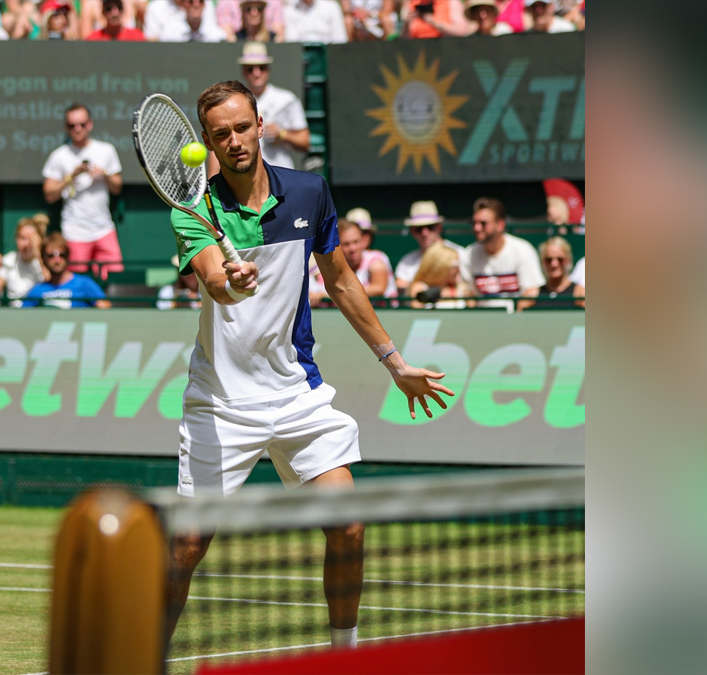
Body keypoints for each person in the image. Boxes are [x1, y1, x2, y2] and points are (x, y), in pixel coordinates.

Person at [165, 79, 453, 651]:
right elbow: (216, 283)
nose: (235, 141)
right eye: (221, 134)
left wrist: (394, 363)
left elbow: (341, 280)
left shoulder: (309, 192)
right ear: (208, 143)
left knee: (347, 523)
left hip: (297, 394)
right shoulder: (192, 206)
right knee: (188, 546)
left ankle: (343, 655)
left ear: (260, 125)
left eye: (242, 127)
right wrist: (230, 281)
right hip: (221, 403)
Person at [41, 103, 125, 279]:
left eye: (82, 124)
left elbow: (117, 187)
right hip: (74, 231)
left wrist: (105, 173)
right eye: (72, 125)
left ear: (90, 124)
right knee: (75, 282)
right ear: (66, 127)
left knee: (115, 278)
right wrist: (71, 176)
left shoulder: (106, 150)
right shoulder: (59, 155)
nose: (77, 129)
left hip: (104, 228)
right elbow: (49, 194)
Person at [460, 196, 545, 310]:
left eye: (483, 223)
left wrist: (510, 319)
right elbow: (470, 294)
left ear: (500, 225)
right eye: (474, 223)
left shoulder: (522, 250)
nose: (477, 228)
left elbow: (531, 292)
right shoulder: (469, 254)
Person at [238, 42, 309, 170]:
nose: (256, 73)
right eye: (250, 69)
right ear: (244, 72)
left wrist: (282, 134)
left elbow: (305, 141)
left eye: (261, 67)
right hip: (248, 177)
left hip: (281, 173)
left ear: (268, 70)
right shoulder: (237, 103)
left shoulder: (287, 99)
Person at [309, 219, 396, 306]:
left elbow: (378, 288)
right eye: (346, 244)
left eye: (356, 242)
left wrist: (329, 295)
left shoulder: (376, 258)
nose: (352, 249)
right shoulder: (328, 266)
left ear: (364, 241)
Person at [22, 234, 112, 308]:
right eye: (51, 256)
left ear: (68, 256)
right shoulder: (38, 290)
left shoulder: (84, 283)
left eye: (62, 255)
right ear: (44, 259)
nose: (57, 260)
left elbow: (105, 307)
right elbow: (22, 317)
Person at [393, 201, 463, 293]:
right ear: (412, 231)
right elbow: (403, 292)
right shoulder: (406, 262)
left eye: (430, 227)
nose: (425, 233)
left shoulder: (460, 254)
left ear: (439, 228)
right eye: (419, 228)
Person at [0, 214, 49, 307]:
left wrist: (38, 254)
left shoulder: (47, 259)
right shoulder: (9, 260)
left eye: (31, 239)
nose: (26, 244)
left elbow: (50, 283)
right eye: (22, 238)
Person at [409, 243, 475, 309]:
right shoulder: (420, 288)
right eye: (455, 264)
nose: (458, 269)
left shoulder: (462, 289)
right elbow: (417, 311)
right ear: (441, 267)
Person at [529, 236, 584, 308]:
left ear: (568, 260)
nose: (554, 264)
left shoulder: (581, 294)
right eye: (549, 260)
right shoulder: (531, 296)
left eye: (560, 259)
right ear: (543, 262)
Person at [144, 0, 224, 42]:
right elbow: (152, 42)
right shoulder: (156, 8)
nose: (196, 5)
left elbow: (212, 34)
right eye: (191, 2)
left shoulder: (203, 3)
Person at [284, 0, 348, 44]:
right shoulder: (289, 10)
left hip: (328, 56)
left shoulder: (331, 7)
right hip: (301, 57)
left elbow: (340, 39)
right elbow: (291, 42)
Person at [219, 0, 286, 42]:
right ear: (243, 12)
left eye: (259, 9)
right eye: (248, 9)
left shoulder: (273, 38)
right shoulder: (237, 38)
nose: (254, 13)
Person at [401, 0, 469, 38]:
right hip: (417, 51)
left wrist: (433, 22)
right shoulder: (412, 3)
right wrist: (407, 22)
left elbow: (462, 31)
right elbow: (403, 40)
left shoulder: (450, 2)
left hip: (444, 49)